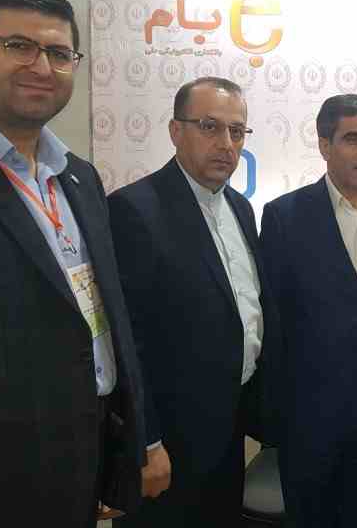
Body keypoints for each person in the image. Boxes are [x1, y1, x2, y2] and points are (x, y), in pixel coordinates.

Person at [0, 0, 146, 527]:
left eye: (60, 53)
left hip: (80, 462)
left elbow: (104, 317)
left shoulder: (79, 178)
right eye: (18, 45)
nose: (42, 66)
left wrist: (120, 452)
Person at [108, 76, 277, 527]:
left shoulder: (240, 208)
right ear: (175, 131)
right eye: (209, 127)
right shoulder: (134, 210)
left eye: (236, 131)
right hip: (167, 441)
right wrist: (145, 442)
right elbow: (128, 342)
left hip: (229, 428)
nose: (226, 144)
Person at [260, 93, 357, 527]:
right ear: (324, 145)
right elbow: (274, 324)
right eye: (353, 139)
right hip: (309, 424)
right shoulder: (284, 217)